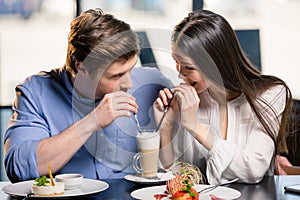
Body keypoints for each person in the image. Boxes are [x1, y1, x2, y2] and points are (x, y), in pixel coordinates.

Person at [4, 8, 173, 183]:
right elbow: (18, 169)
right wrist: (91, 122)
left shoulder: (153, 84)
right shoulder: (35, 92)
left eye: (130, 69)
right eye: (116, 76)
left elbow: (185, 158)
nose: (129, 84)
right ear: (81, 67)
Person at [154, 9, 294, 184]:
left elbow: (254, 170)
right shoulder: (191, 98)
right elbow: (175, 174)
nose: (181, 75)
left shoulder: (271, 94)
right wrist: (166, 124)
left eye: (188, 67)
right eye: (176, 62)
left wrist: (194, 126)